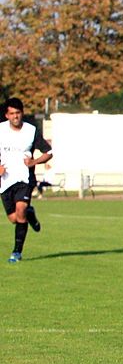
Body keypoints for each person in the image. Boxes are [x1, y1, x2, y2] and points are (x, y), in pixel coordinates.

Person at [0, 98, 51, 263]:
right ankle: (30, 213)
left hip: (25, 179)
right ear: (7, 115)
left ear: (22, 113)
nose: (16, 116)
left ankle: (16, 252)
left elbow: (48, 152)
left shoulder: (31, 131)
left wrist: (34, 162)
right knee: (14, 218)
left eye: (18, 113)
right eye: (12, 113)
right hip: (5, 181)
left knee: (20, 211)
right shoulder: (0, 130)